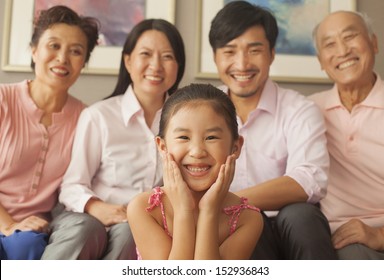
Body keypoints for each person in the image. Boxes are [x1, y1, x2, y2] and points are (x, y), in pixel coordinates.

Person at [46, 19, 185, 260]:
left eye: (167, 56)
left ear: (178, 66)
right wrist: (95, 207)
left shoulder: (186, 122)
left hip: (144, 225)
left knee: (133, 231)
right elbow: (72, 185)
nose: (156, 65)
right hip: (91, 218)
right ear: (128, 61)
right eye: (146, 54)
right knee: (89, 230)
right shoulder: (98, 116)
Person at [208, 1, 336, 259]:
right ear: (215, 57)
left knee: (301, 214)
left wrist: (231, 201)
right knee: (244, 221)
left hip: (291, 228)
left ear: (272, 53)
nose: (242, 64)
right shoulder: (203, 112)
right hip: (234, 229)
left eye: (254, 50)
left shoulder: (299, 109)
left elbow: (309, 180)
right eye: (230, 51)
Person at [0, 5, 99, 260]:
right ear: (34, 50)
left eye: (76, 51)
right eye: (53, 46)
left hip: (34, 232)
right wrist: (8, 225)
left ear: (83, 63)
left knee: (27, 247)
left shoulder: (86, 118)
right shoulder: (3, 99)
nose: (62, 58)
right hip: (7, 223)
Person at [127, 83, 263, 259]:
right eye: (184, 137)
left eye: (211, 137)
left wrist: (209, 211)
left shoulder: (247, 219)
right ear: (162, 146)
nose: (197, 151)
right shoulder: (144, 208)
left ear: (235, 147)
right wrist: (184, 210)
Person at [310, 11, 384, 259]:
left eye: (350, 36)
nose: (342, 50)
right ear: (321, 61)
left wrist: (383, 235)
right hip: (342, 241)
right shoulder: (309, 111)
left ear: (373, 43)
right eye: (330, 44)